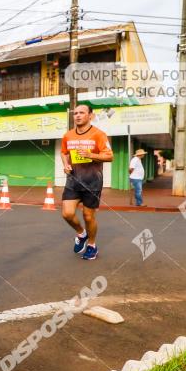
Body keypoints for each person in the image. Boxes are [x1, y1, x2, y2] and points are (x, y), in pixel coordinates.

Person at [60, 104, 114, 260]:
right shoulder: (68, 135)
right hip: (73, 180)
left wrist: (91, 155)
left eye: (81, 113)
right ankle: (81, 233)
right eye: (75, 113)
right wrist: (66, 164)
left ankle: (91, 245)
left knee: (88, 216)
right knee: (67, 214)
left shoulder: (99, 135)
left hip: (92, 181)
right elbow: (64, 152)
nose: (77, 115)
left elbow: (109, 156)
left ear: (90, 115)